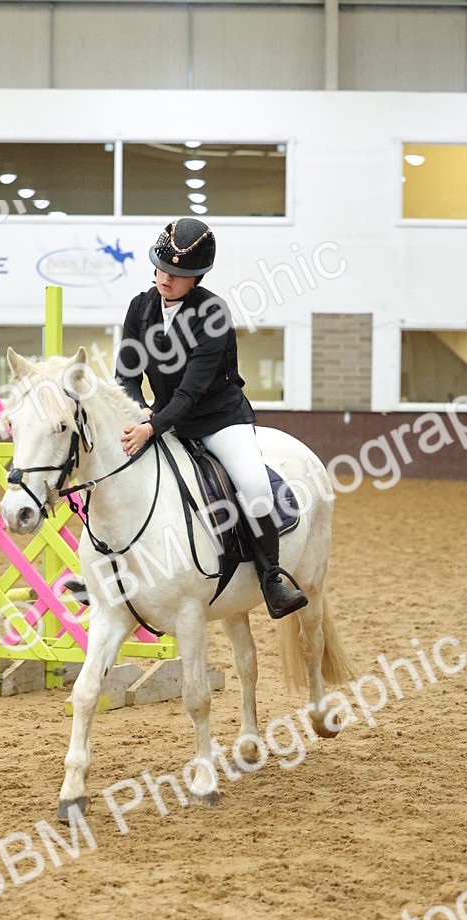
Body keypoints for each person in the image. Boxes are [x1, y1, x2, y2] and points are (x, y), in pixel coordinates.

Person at [115, 217, 307, 619]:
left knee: (254, 486)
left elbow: (191, 389)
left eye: (177, 273)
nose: (165, 277)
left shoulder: (212, 313)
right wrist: (140, 412)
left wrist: (153, 425)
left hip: (219, 419)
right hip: (165, 417)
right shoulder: (140, 307)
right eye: (161, 267)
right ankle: (112, 573)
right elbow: (126, 376)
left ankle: (272, 577)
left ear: (196, 277)